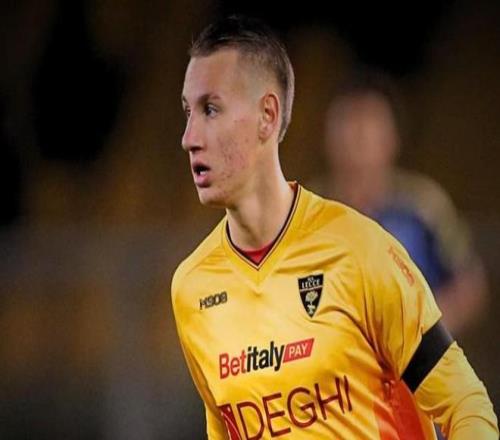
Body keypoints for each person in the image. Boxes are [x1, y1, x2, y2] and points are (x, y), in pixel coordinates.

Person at [171, 15, 498, 439]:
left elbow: (467, 405)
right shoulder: (192, 289)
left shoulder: (365, 243)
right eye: (187, 112)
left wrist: (418, 326)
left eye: (211, 109)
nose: (189, 137)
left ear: (268, 116)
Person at [313, 74, 488, 336]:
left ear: (392, 139)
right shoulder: (304, 211)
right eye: (347, 124)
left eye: (368, 127)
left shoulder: (423, 205)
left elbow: (469, 283)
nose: (356, 140)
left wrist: (429, 334)